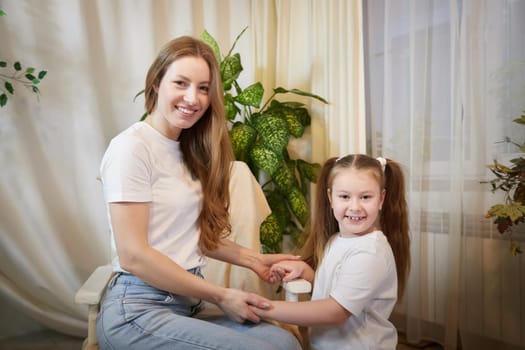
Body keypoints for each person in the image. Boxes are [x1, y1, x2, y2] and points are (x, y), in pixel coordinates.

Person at [96, 35, 302, 350]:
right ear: (156, 84)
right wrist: (222, 296)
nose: (193, 98)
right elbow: (134, 256)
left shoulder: (187, 149)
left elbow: (190, 235)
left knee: (283, 341)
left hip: (185, 303)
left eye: (203, 88)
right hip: (137, 308)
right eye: (181, 83)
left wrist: (254, 260)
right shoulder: (131, 148)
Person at [252, 154, 411, 350]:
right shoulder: (337, 240)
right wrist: (306, 272)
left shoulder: (370, 253)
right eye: (344, 196)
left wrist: (263, 308)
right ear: (330, 198)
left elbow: (334, 311)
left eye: (366, 197)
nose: (355, 206)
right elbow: (336, 287)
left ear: (381, 199)